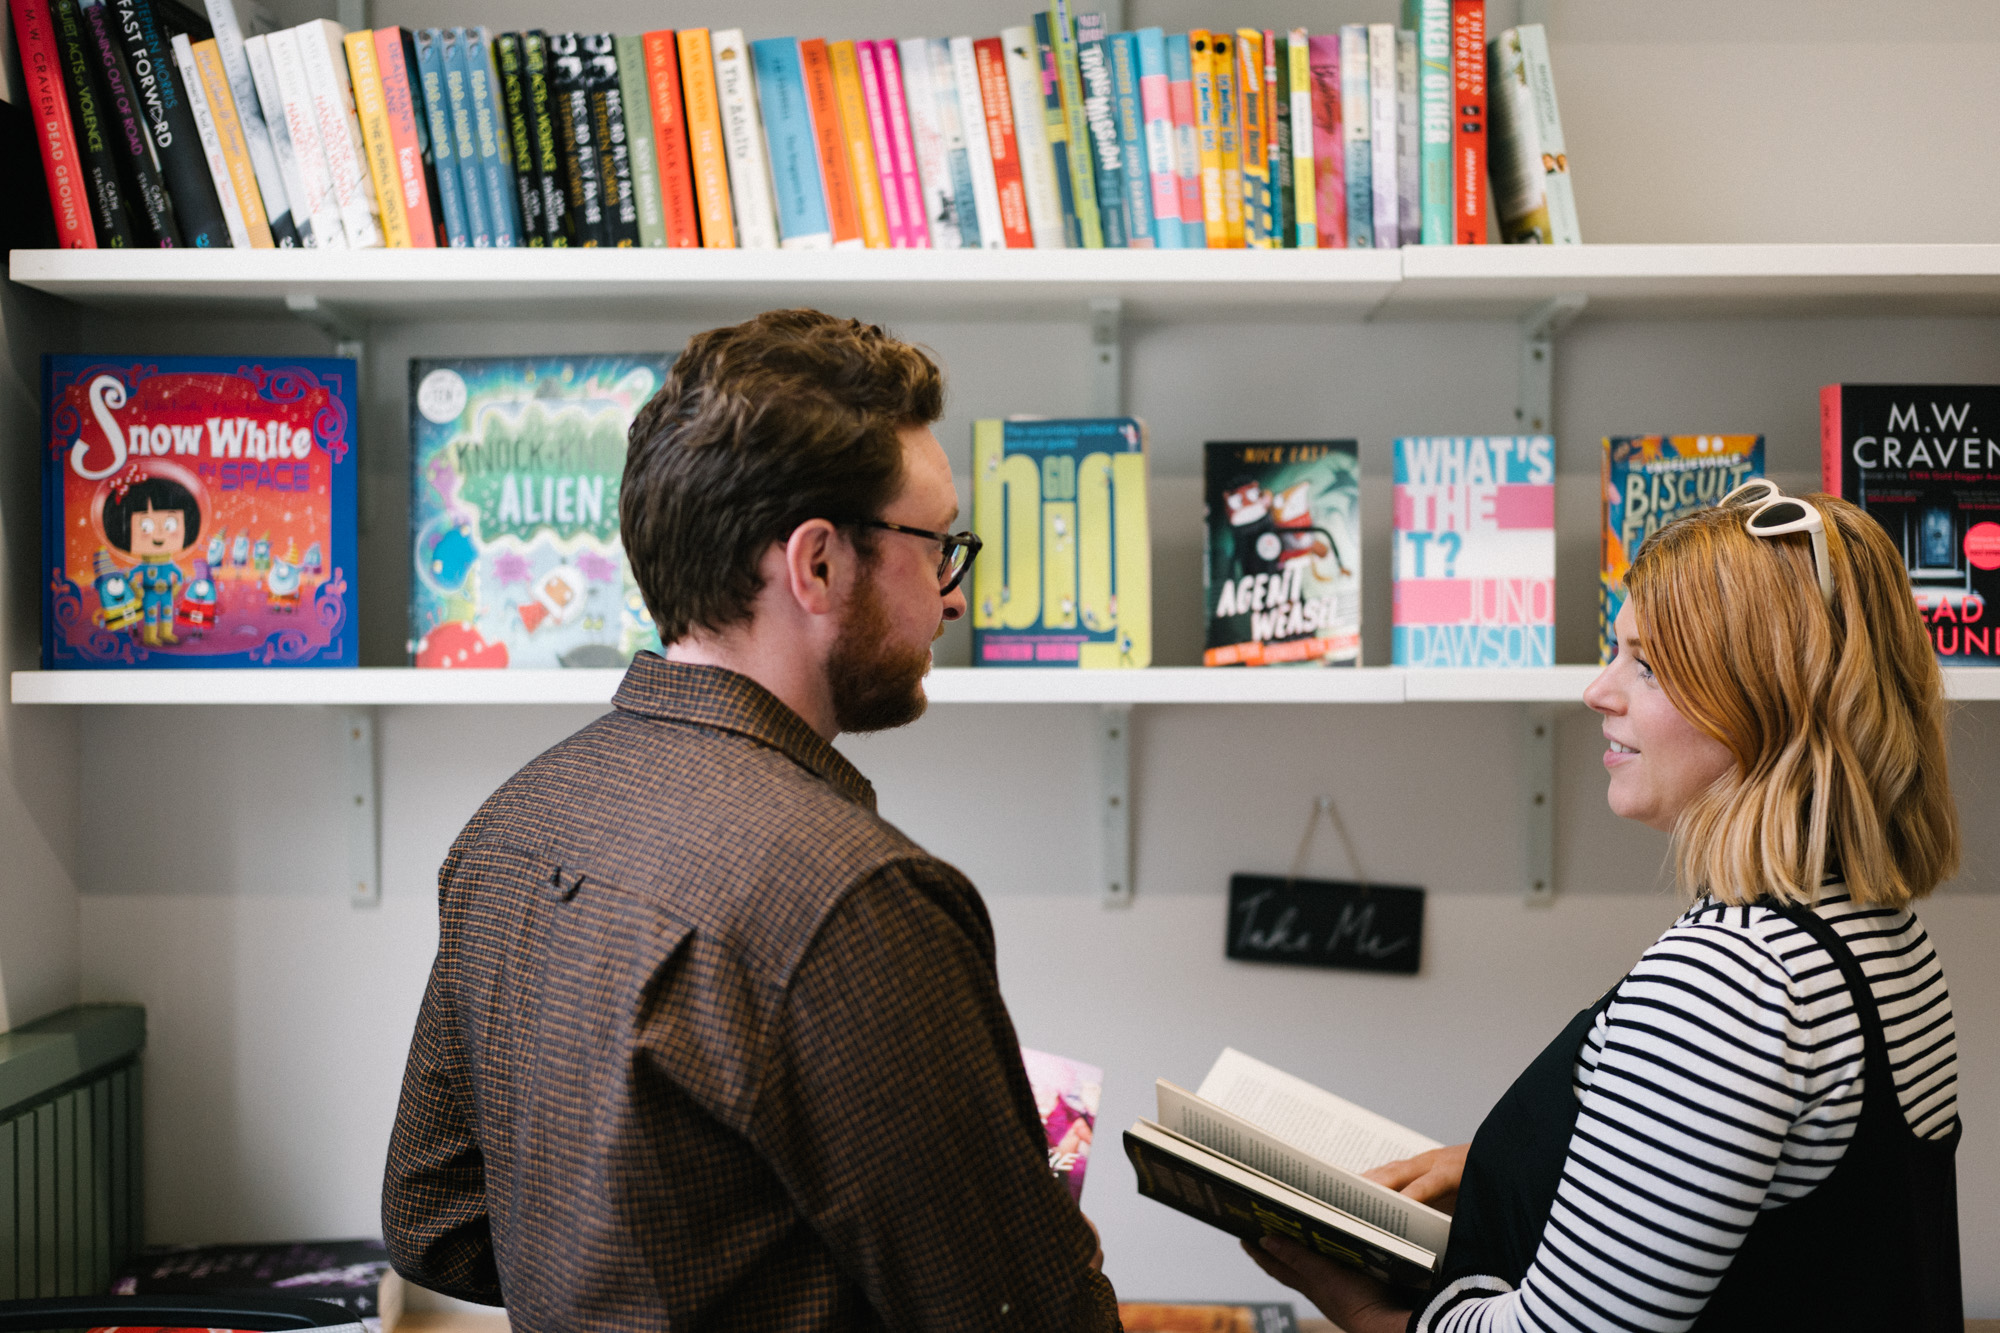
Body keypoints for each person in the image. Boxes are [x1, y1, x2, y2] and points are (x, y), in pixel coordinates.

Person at [382, 310, 1121, 1331]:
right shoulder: (855, 903)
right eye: (937, 544)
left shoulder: (512, 824)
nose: (952, 599)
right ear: (815, 564)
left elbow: (440, 1220)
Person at [1246, 483, 1963, 1331]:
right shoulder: (1868, 932)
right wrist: (1514, 1164)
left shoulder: (1734, 978)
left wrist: (1365, 1309)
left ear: (1767, 704)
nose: (1598, 691)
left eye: (1646, 666)